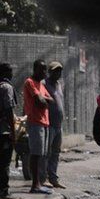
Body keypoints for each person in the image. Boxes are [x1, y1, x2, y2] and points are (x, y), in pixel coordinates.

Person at [23, 59, 53, 194]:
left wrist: (43, 99)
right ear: (35, 69)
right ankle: (35, 185)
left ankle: (39, 183)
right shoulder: (29, 82)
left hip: (44, 122)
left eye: (45, 69)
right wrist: (43, 100)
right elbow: (40, 102)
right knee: (35, 154)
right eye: (42, 69)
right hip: (35, 121)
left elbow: (51, 100)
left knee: (42, 154)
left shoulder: (41, 85)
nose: (45, 72)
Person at [41, 61, 66, 189]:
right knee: (46, 152)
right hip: (48, 123)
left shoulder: (59, 84)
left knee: (56, 152)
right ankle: (43, 178)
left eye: (60, 70)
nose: (58, 73)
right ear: (50, 71)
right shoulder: (44, 84)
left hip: (58, 125)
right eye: (56, 70)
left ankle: (53, 178)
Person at [0, 63, 15, 199]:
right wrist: (14, 131)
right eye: (10, 71)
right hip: (4, 132)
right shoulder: (7, 87)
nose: (12, 74)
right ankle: (4, 191)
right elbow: (9, 110)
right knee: (4, 162)